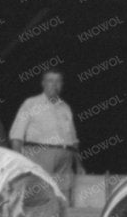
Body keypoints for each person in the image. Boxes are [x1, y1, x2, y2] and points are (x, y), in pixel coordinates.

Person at [9, 69, 81, 199]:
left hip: (65, 157)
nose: (54, 84)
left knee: (62, 197)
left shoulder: (65, 107)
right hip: (40, 154)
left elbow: (73, 139)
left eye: (58, 81)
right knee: (39, 196)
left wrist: (79, 165)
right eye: (50, 81)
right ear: (43, 83)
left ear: (62, 84)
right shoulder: (31, 103)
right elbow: (16, 136)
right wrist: (17, 164)